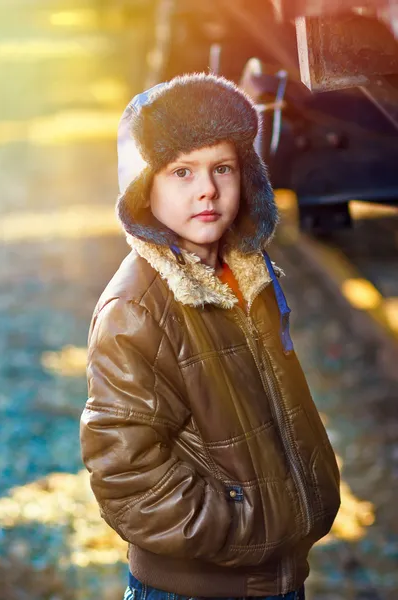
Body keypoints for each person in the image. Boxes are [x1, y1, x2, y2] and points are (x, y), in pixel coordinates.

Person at [80, 73, 340, 600]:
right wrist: (236, 528)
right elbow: (123, 471)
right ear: (142, 186)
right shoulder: (136, 308)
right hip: (198, 587)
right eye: (182, 171)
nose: (208, 189)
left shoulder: (246, 271)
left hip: (276, 577)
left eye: (223, 168)